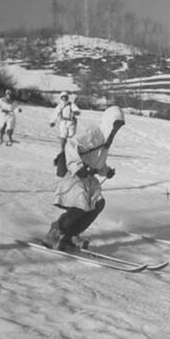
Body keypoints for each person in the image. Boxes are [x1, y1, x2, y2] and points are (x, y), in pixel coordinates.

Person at [44, 106, 125, 251]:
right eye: (115, 124)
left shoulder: (107, 140)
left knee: (98, 204)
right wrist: (77, 167)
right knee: (80, 205)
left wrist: (106, 171)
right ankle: (55, 232)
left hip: (88, 178)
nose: (116, 128)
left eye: (119, 125)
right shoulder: (93, 132)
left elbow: (97, 162)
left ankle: (71, 234)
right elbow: (72, 145)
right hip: (75, 175)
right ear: (108, 121)